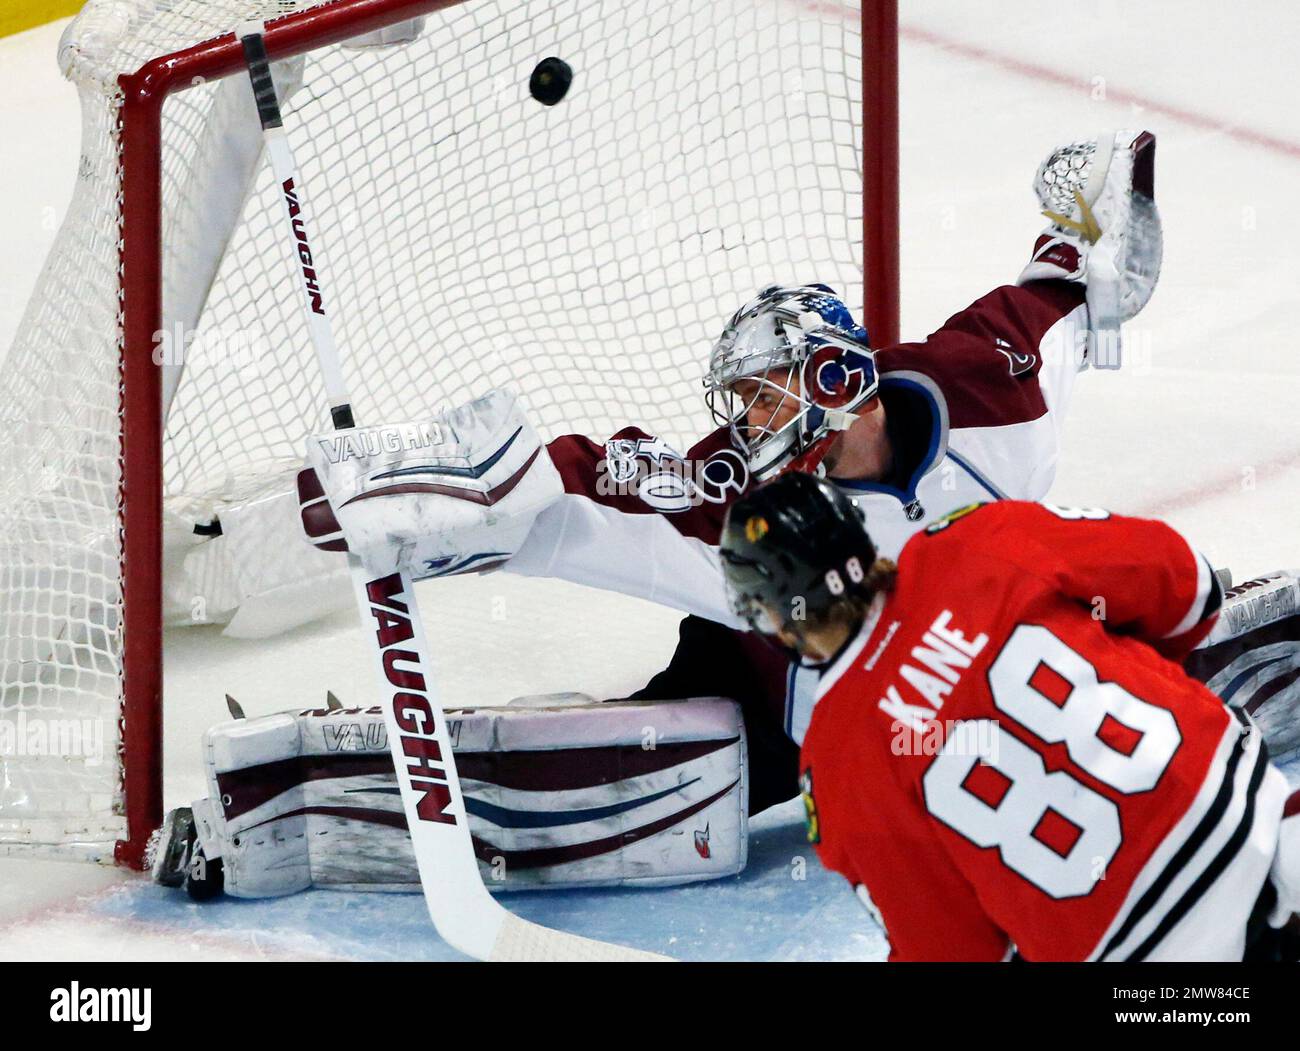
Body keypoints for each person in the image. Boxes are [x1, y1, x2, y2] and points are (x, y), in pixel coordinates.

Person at [717, 473, 1300, 961]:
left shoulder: (838, 764)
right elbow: (1188, 587)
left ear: (771, 618)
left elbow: (951, 951)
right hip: (1270, 832)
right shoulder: (977, 538)